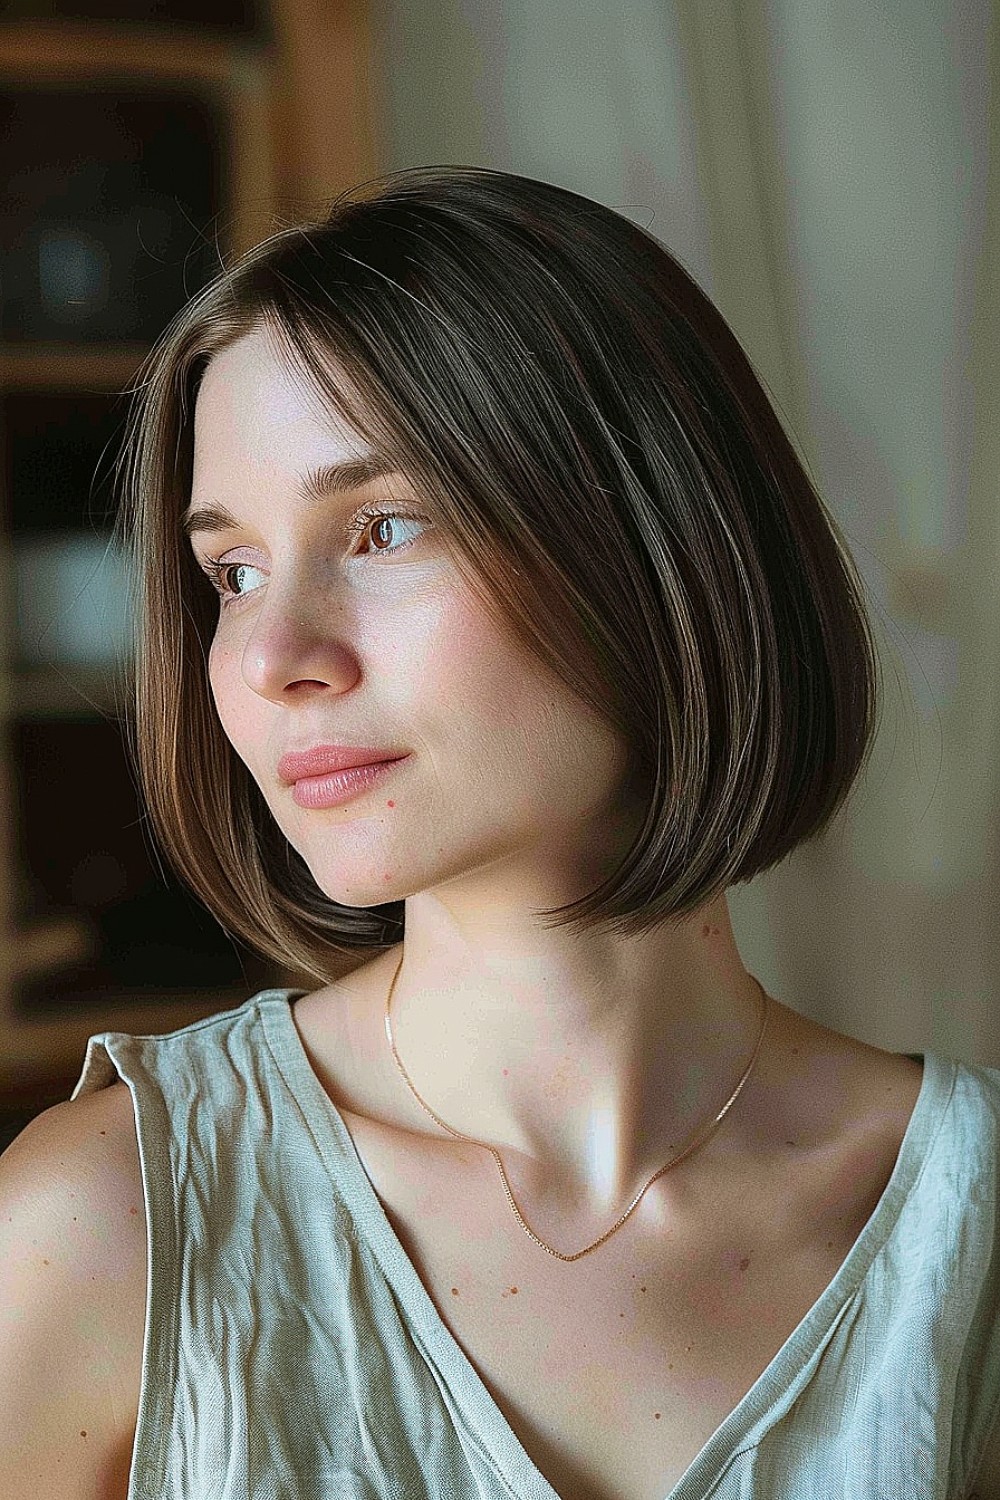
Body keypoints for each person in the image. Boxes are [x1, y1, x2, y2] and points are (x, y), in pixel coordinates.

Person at [1, 164, 998, 1500]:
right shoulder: (106, 1227)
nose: (273, 654)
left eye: (385, 526)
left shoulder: (968, 1235)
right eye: (230, 571)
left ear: (653, 547)